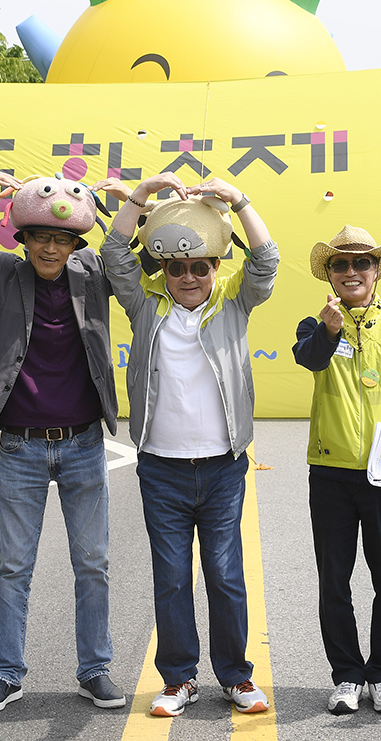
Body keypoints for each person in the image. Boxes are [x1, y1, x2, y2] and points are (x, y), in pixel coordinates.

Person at [0, 171, 125, 715]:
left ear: (74, 243)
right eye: (41, 238)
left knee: (93, 564)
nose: (51, 247)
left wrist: (136, 202)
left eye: (61, 239)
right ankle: (7, 674)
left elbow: (135, 258)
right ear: (24, 239)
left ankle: (95, 670)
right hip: (21, 449)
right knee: (15, 568)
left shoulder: (92, 272)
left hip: (83, 444)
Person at [96, 172, 278, 718]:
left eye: (201, 266)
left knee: (224, 575)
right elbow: (113, 251)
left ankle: (236, 677)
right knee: (171, 576)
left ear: (216, 266)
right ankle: (178, 679)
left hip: (222, 466)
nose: (190, 277)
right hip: (162, 467)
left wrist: (239, 201)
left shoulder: (233, 303)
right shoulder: (145, 304)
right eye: (178, 267)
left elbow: (265, 259)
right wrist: (141, 194)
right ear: (164, 269)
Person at [292, 226, 381, 715]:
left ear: (377, 271)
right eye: (341, 265)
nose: (351, 272)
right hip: (330, 473)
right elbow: (309, 360)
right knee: (335, 579)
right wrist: (329, 329)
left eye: (362, 263)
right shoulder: (314, 328)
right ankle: (347, 675)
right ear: (330, 276)